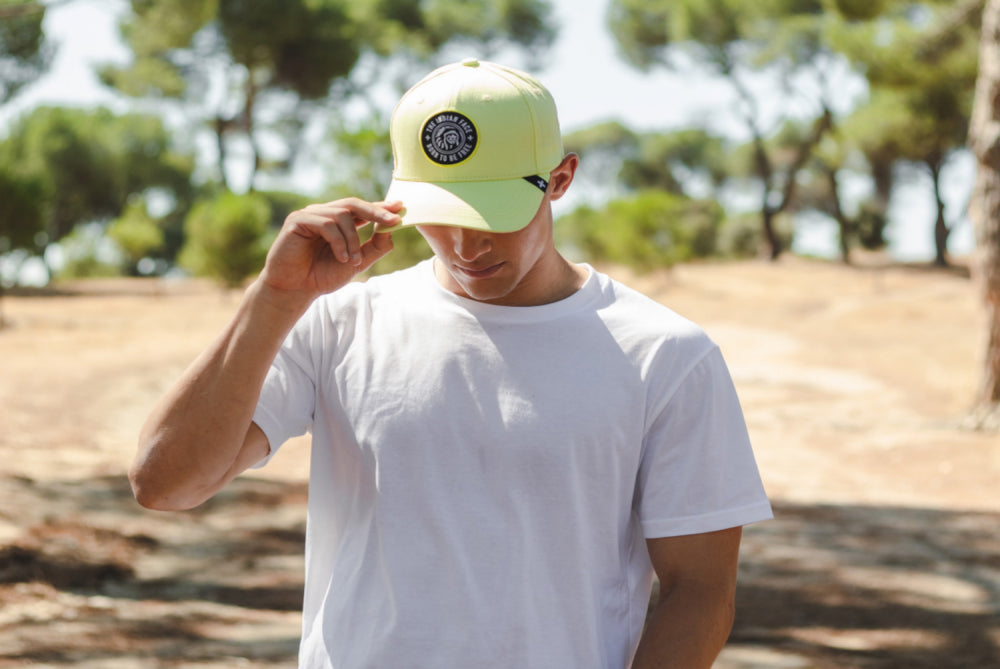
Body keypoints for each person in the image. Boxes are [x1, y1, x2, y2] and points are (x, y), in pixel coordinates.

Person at [131, 58, 773, 669]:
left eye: (493, 213)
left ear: (560, 179)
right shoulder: (337, 323)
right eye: (440, 214)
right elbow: (166, 484)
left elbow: (700, 592)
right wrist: (273, 301)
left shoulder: (665, 355)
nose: (466, 244)